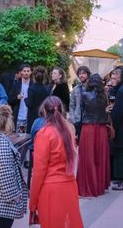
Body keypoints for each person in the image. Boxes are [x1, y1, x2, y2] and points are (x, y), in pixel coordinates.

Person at [29, 96, 83, 228]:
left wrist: (33, 201)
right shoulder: (68, 131)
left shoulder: (44, 134)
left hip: (51, 189)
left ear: (45, 112)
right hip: (69, 186)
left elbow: (38, 172)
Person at [77, 73, 111, 197]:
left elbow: (80, 112)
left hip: (88, 129)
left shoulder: (84, 95)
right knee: (100, 157)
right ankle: (100, 185)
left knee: (88, 157)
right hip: (101, 128)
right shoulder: (104, 96)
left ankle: (89, 186)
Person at [24, 66, 50, 133]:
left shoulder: (32, 88)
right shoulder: (47, 89)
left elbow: (29, 104)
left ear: (34, 76)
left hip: (33, 116)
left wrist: (25, 99)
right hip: (44, 116)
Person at [8, 63, 32, 132]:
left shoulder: (33, 85)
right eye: (24, 71)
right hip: (18, 116)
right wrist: (16, 98)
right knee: (17, 137)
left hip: (29, 116)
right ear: (21, 72)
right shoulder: (16, 85)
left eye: (28, 71)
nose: (26, 73)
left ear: (31, 72)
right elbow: (9, 100)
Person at [69, 66, 90, 138]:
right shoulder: (75, 89)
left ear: (88, 74)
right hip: (78, 121)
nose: (81, 75)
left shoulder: (92, 88)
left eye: (84, 73)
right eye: (80, 74)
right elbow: (72, 105)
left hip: (90, 121)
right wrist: (73, 119)